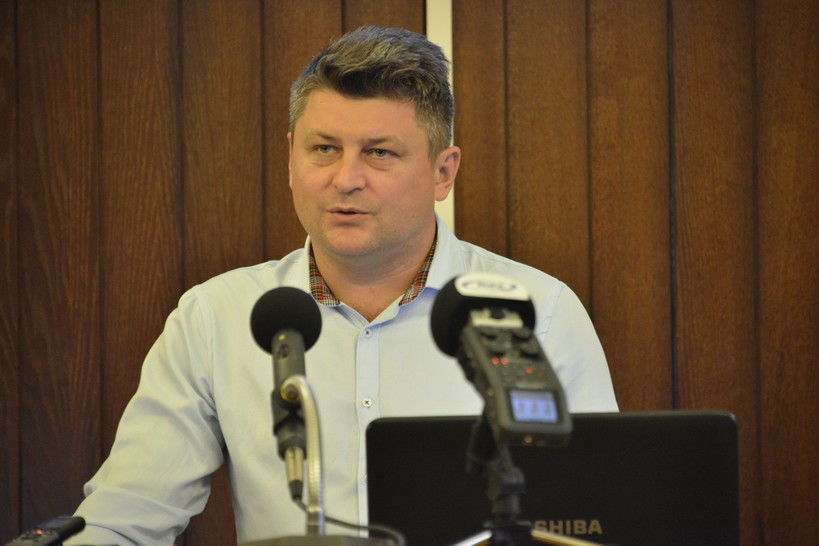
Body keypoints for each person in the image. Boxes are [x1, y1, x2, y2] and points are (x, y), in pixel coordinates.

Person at [66, 25, 617, 545]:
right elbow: (126, 517)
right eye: (324, 149)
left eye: (379, 153)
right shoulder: (216, 317)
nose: (346, 179)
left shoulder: (540, 313)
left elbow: (594, 520)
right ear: (291, 159)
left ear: (443, 172)